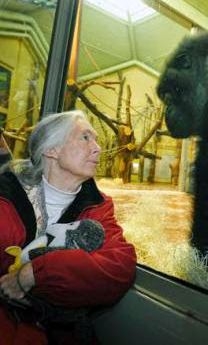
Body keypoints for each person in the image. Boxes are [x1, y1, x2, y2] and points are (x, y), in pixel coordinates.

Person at [0, 110, 137, 344]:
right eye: (85, 137)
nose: (97, 148)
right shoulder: (6, 193)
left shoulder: (97, 205)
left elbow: (119, 268)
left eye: (95, 139)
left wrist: (35, 273)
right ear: (51, 150)